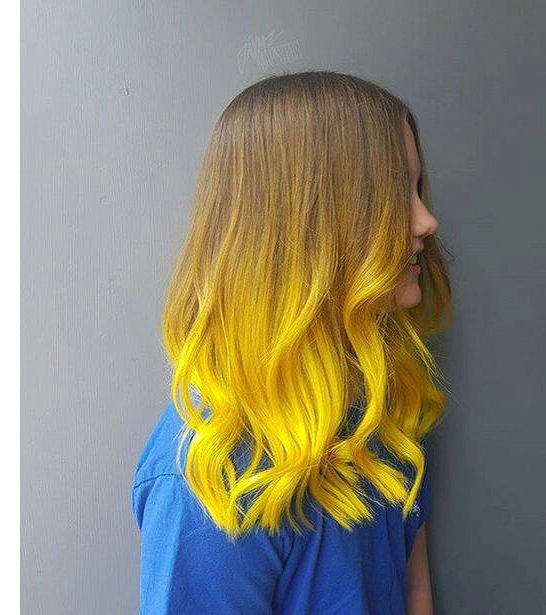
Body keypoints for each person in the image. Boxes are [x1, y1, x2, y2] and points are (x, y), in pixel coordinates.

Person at [131, 70, 452, 614]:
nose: (427, 221)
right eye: (393, 194)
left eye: (417, 189)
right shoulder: (212, 481)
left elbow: (412, 586)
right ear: (310, 225)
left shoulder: (381, 407)